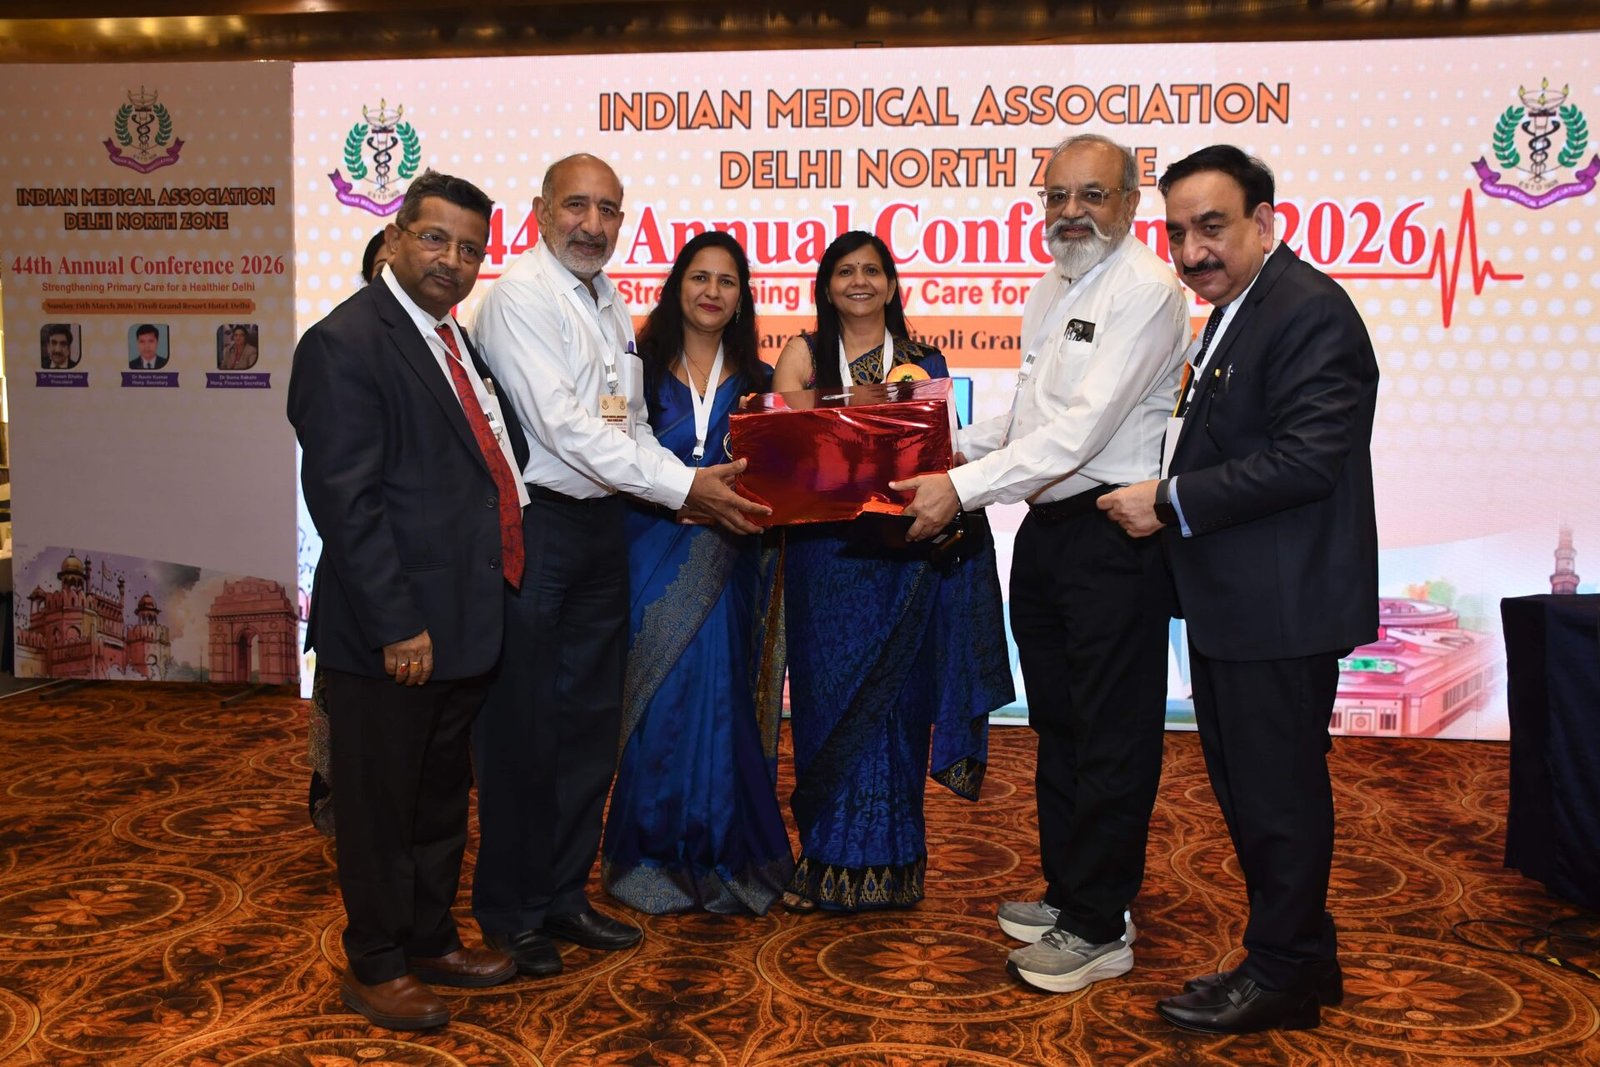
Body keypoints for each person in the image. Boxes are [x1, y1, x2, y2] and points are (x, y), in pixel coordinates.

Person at [891, 134, 1189, 992]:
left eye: (1091, 194)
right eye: (1057, 195)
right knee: (1059, 723)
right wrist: (939, 447)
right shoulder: (1052, 285)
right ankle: (1072, 893)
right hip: (1050, 533)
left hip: (1112, 537)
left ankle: (1100, 924)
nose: (1070, 212)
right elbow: (1032, 421)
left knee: (1112, 734)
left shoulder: (1146, 291)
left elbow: (1081, 435)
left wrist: (958, 488)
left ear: (1130, 202)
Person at [1099, 144, 1378, 1033]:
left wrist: (1166, 500)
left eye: (1212, 227)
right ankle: (1304, 954)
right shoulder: (1238, 310)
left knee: (1276, 796)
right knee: (1258, 789)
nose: (1192, 252)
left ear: (1264, 222)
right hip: (1240, 603)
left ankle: (1282, 972)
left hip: (1279, 607)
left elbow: (1305, 461)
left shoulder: (1308, 311)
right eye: (1178, 232)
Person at [472, 154, 769, 975]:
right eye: (577, 205)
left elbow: (627, 425)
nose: (593, 224)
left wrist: (684, 492)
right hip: (540, 529)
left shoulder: (604, 298)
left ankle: (563, 893)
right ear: (540, 210)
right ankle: (511, 911)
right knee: (526, 730)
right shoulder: (522, 298)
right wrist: (685, 486)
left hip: (605, 526)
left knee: (587, 728)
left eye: (608, 209)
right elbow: (565, 430)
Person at [288, 169, 527, 1030]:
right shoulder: (346, 343)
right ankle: (377, 963)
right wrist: (398, 624)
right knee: (379, 806)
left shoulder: (452, 338)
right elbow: (346, 503)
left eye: (469, 247)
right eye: (434, 238)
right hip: (395, 632)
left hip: (463, 617)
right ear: (393, 239)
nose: (451, 259)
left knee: (437, 795)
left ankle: (429, 936)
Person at [770, 230, 1014, 912]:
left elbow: (938, 454)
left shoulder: (922, 361)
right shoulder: (803, 355)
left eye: (872, 270)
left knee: (898, 709)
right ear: (826, 286)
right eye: (844, 271)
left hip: (905, 556)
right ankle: (824, 861)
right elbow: (790, 451)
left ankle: (897, 864)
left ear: (892, 284)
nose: (859, 282)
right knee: (828, 705)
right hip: (825, 559)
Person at [599, 231, 794, 915]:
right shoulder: (635, 370)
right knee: (659, 705)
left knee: (722, 703)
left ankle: (725, 857)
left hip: (730, 563)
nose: (712, 291)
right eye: (700, 277)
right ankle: (649, 858)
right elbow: (611, 452)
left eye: (727, 281)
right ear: (677, 285)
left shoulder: (761, 384)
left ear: (742, 298)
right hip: (650, 552)